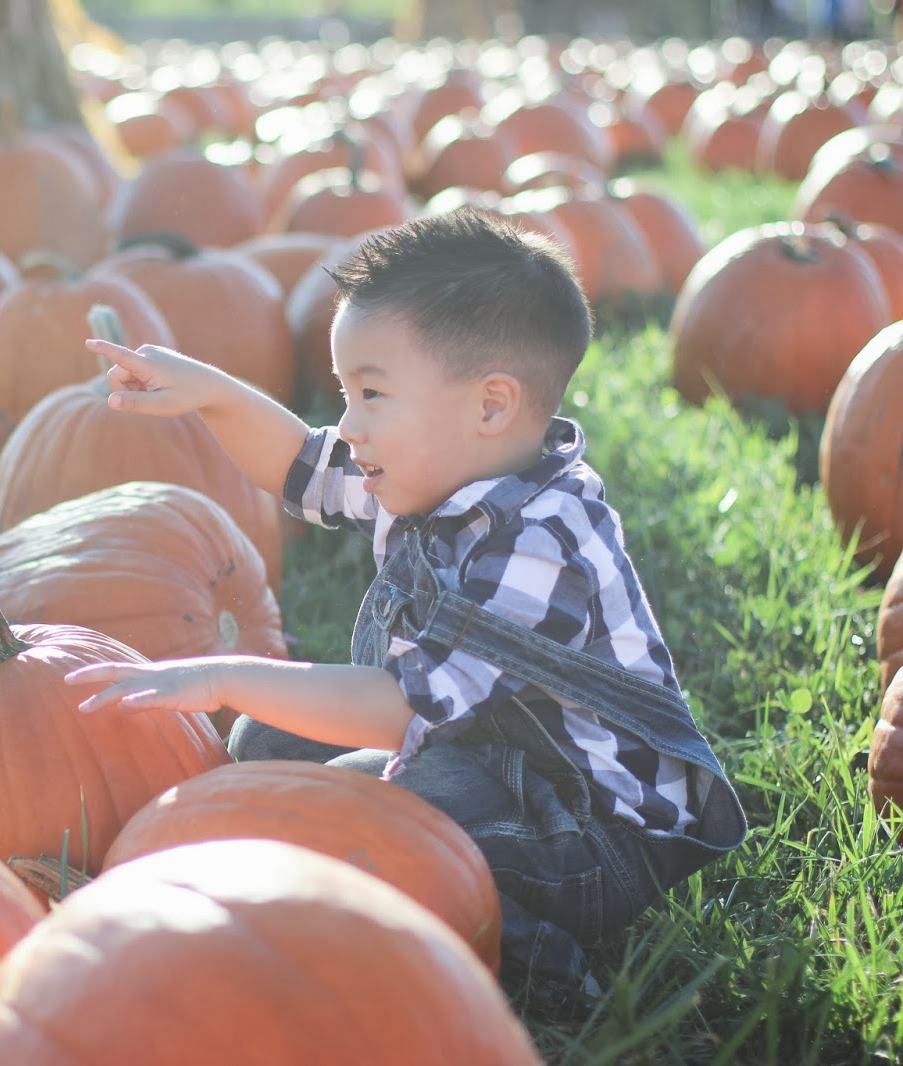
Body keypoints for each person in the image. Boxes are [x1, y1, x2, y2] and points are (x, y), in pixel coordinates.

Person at [65, 210, 747, 1008]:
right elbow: (299, 463)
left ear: (490, 406)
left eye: (372, 394)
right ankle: (377, 866)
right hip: (492, 752)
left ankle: (534, 960)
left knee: (363, 810)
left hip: (592, 836)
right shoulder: (441, 470)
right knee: (263, 741)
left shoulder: (542, 543)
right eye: (346, 394)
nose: (348, 425)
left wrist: (221, 676)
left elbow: (400, 706)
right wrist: (209, 393)